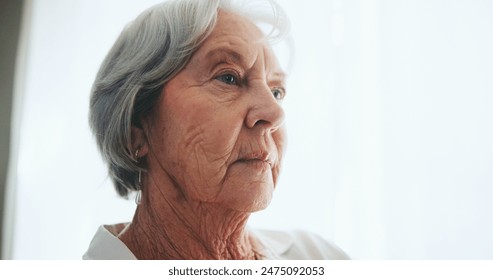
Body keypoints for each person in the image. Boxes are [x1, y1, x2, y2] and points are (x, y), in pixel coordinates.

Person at [84, 0, 348, 260]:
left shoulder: (321, 257)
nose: (275, 113)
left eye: (276, 91)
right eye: (228, 78)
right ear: (136, 131)